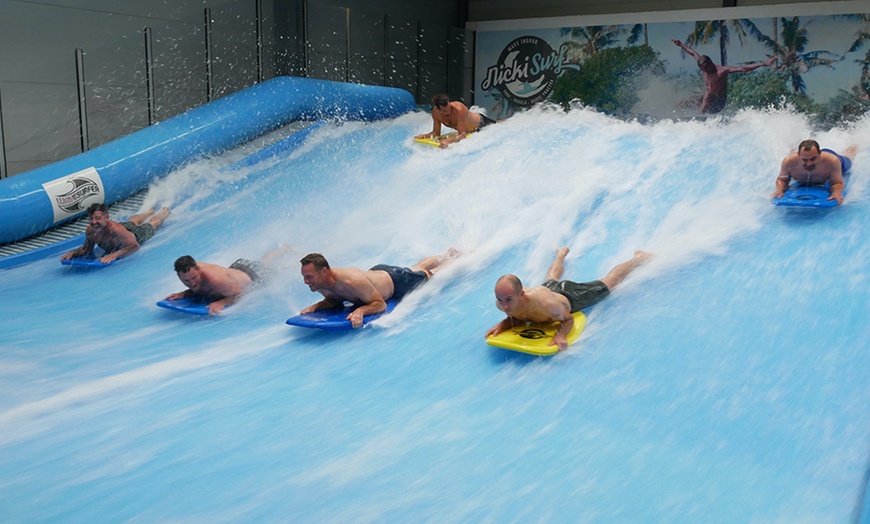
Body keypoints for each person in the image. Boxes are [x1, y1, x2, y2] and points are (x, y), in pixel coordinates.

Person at [486, 248, 652, 352]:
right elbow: (515, 316)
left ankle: (640, 258)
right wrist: (502, 325)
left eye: (508, 299)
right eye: (500, 300)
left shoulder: (544, 303)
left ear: (521, 294)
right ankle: (561, 254)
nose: (505, 305)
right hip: (549, 291)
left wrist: (560, 335)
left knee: (610, 281)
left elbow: (568, 319)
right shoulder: (502, 304)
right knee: (551, 277)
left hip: (571, 296)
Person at [300, 249, 460, 328]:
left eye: (309, 277)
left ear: (324, 271)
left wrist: (361, 311)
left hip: (397, 282)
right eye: (304, 277)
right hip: (378, 274)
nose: (306, 281)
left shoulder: (351, 281)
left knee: (430, 274)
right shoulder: (321, 283)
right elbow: (334, 300)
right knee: (414, 268)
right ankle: (446, 254)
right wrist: (317, 306)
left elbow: (380, 304)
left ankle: (459, 259)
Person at [165, 246, 290, 315]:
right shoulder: (191, 270)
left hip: (254, 274)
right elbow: (198, 286)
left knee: (275, 269)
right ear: (179, 276)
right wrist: (185, 293)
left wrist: (223, 302)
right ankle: (283, 249)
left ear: (198, 269)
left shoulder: (216, 280)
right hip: (236, 270)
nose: (192, 283)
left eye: (194, 278)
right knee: (263, 262)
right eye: (186, 281)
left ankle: (288, 254)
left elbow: (241, 292)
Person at [672, 39, 775, 114]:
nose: (706, 71)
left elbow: (743, 68)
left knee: (707, 95)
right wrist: (681, 44)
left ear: (711, 63)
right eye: (703, 69)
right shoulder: (703, 65)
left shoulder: (722, 71)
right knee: (683, 102)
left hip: (718, 104)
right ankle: (675, 117)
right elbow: (694, 54)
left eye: (707, 68)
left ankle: (699, 117)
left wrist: (763, 64)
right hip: (707, 101)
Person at [60, 203, 171, 264]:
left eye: (98, 218)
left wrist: (114, 254)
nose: (94, 222)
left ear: (107, 218)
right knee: (131, 222)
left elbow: (135, 246)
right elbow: (87, 249)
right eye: (91, 218)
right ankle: (148, 212)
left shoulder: (116, 230)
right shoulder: (91, 230)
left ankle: (164, 213)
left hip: (135, 235)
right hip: (125, 228)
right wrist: (73, 253)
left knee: (151, 226)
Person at [772, 140, 856, 205]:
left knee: (848, 159)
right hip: (807, 155)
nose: (809, 163)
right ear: (798, 155)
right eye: (805, 160)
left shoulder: (832, 161)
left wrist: (836, 192)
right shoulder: (789, 162)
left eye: (813, 159)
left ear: (820, 153)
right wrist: (779, 190)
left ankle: (853, 146)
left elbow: (837, 182)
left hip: (832, 157)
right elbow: (782, 180)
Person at [415, 94, 497, 148]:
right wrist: (423, 136)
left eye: (449, 108)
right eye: (445, 111)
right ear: (438, 109)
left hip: (481, 124)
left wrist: (448, 141)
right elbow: (436, 133)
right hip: (472, 131)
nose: (449, 112)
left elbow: (463, 135)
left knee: (500, 125)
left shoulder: (459, 109)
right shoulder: (435, 113)